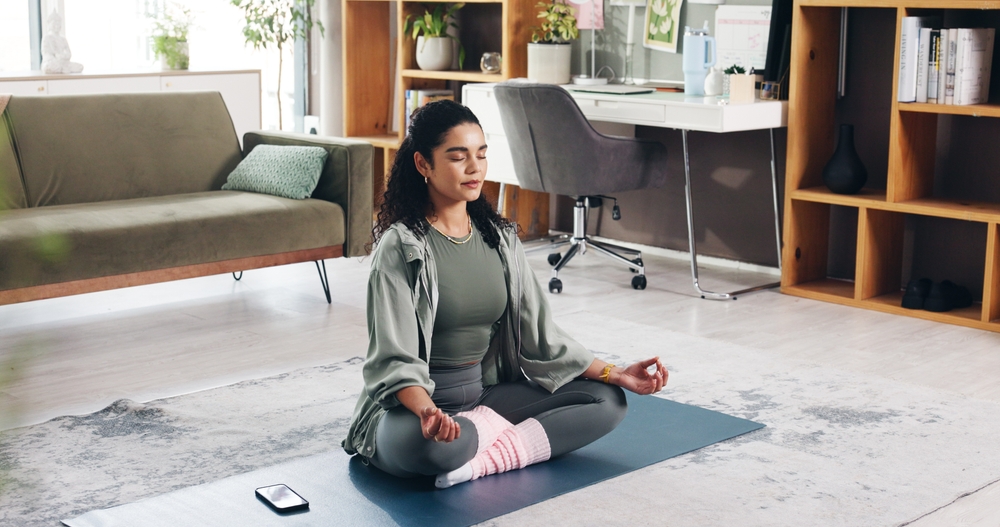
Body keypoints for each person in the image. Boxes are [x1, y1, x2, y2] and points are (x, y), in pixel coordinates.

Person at [342, 100, 668, 488]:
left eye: (481, 155)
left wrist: (616, 372)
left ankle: (477, 464)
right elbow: (392, 360)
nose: (475, 167)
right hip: (411, 411)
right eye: (458, 157)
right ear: (423, 165)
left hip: (483, 398)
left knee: (608, 402)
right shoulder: (402, 247)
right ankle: (489, 446)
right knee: (435, 449)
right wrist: (429, 413)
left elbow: (543, 338)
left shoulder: (500, 241)